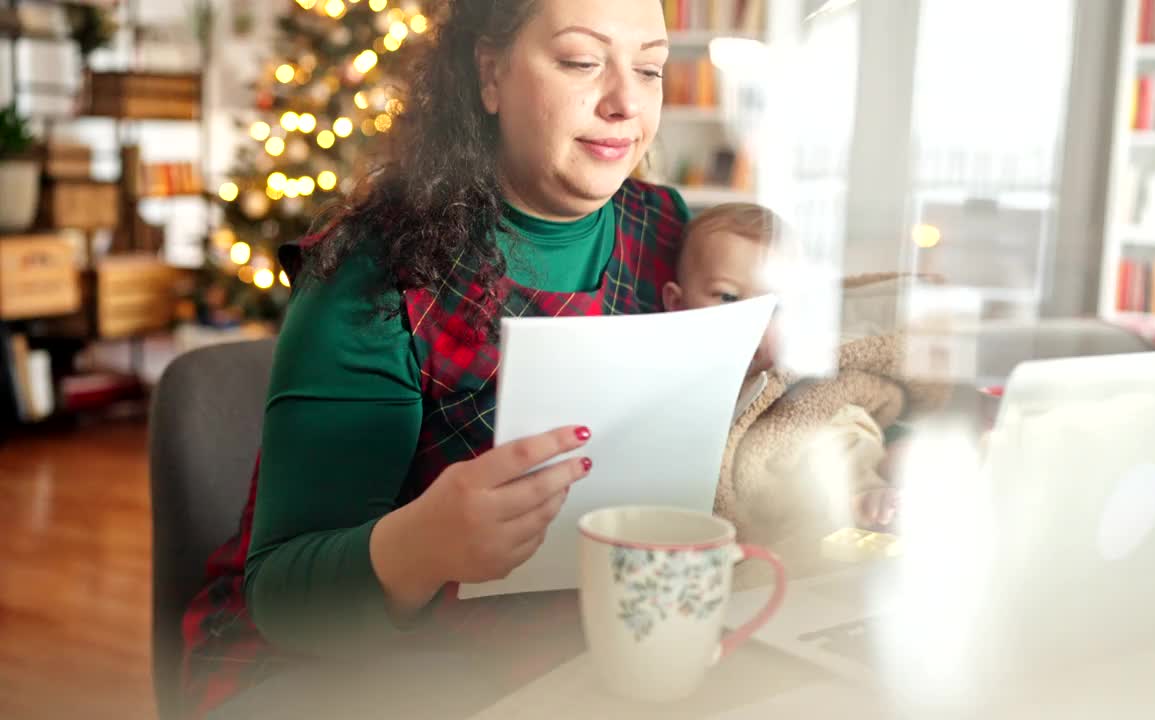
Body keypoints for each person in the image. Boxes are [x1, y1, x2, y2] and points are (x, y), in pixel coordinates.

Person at [180, 1, 687, 716]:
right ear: (489, 73)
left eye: (650, 68)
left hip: (575, 649)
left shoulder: (670, 230)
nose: (625, 102)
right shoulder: (374, 274)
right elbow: (282, 599)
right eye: (581, 61)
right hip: (340, 667)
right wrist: (424, 544)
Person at [660, 203, 946, 539]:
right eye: (727, 297)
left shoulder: (794, 383)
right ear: (676, 303)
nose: (755, 321)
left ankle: (865, 496)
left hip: (795, 523)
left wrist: (865, 486)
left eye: (776, 306)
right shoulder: (668, 378)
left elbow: (840, 430)